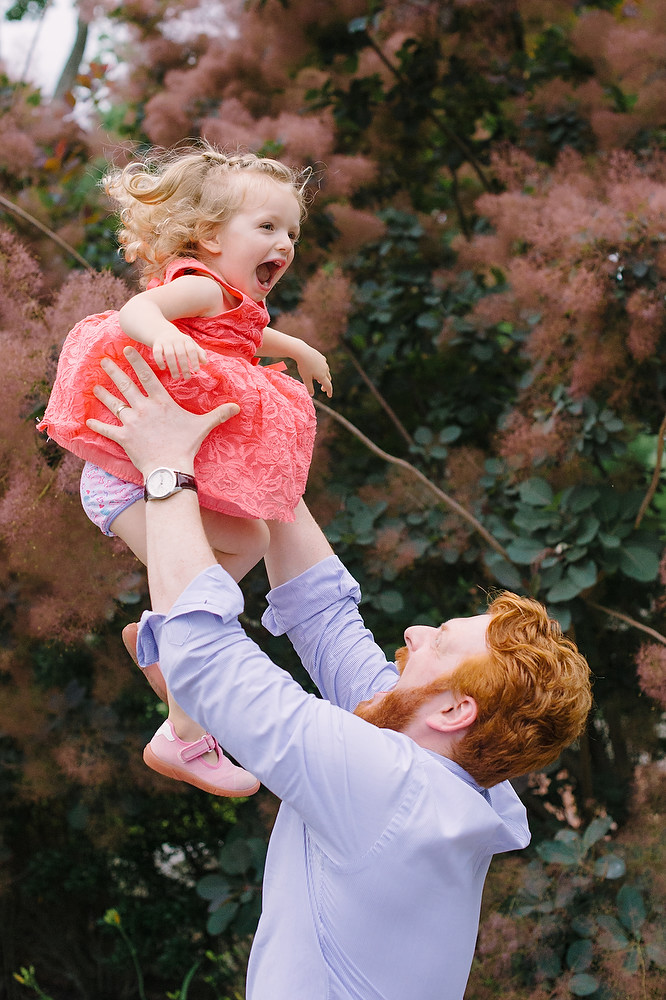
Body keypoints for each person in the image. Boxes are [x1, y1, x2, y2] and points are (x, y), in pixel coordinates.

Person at [85, 347, 593, 1000]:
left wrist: (166, 471)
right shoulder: (455, 778)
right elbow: (324, 614)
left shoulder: (390, 790)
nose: (413, 635)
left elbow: (206, 655)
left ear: (454, 711)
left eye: (438, 642)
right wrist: (258, 443)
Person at [39, 144, 332, 798]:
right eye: (267, 227)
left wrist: (296, 348)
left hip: (146, 473)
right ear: (208, 237)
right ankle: (182, 733)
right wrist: (158, 334)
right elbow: (134, 315)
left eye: (291, 232)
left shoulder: (227, 298)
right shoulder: (197, 284)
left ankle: (161, 634)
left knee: (249, 542)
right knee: (204, 589)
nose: (283, 242)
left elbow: (244, 337)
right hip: (129, 474)